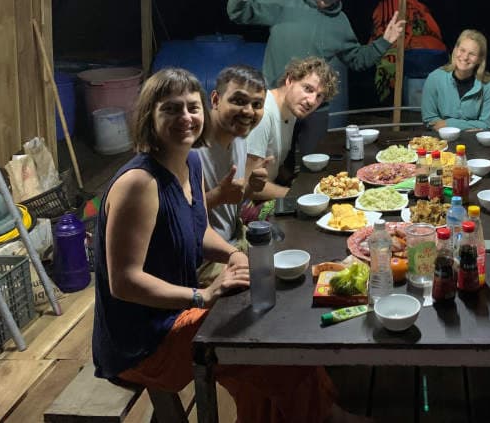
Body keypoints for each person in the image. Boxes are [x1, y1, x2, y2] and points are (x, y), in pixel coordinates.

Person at [92, 68, 362, 423]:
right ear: (148, 116)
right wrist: (201, 296)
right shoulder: (139, 183)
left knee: (276, 329)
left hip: (175, 313)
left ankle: (318, 412)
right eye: (171, 109)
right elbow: (124, 282)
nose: (185, 117)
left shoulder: (187, 160)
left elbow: (196, 227)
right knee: (266, 350)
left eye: (192, 107)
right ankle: (325, 417)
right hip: (143, 342)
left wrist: (236, 254)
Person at [227, 0, 406, 154]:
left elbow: (357, 60)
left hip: (314, 110)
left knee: (311, 168)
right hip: (277, 104)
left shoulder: (340, 22)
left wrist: (384, 42)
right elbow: (240, 14)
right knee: (270, 166)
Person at [194, 65, 270, 284]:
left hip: (234, 237)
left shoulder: (239, 137)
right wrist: (218, 196)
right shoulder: (191, 147)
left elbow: (229, 202)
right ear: (215, 100)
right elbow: (176, 214)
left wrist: (250, 188)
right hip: (203, 258)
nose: (248, 111)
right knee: (264, 282)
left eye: (257, 105)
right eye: (239, 101)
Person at [245, 57, 339, 200]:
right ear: (290, 80)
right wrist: (298, 195)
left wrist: (298, 182)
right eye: (308, 89)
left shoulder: (291, 112)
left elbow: (273, 165)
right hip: (245, 206)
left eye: (319, 96)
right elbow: (248, 186)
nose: (312, 101)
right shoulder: (263, 114)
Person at [420, 29, 490, 131]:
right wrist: (472, 125)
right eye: (462, 50)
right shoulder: (434, 78)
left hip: (473, 141)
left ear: (479, 59)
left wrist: (448, 123)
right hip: (440, 141)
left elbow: (486, 124)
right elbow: (429, 120)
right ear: (455, 50)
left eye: (472, 54)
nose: (465, 57)